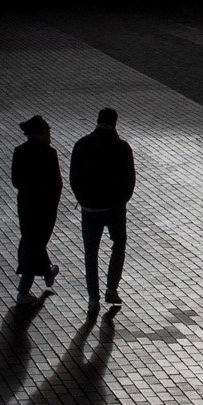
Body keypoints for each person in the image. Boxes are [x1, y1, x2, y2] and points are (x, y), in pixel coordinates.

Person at [68, 107, 136, 312]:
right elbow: (130, 179)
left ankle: (93, 299)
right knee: (119, 243)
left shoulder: (82, 145)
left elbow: (73, 177)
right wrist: (121, 200)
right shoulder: (122, 147)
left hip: (89, 207)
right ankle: (112, 288)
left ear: (97, 121)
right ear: (115, 123)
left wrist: (82, 198)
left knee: (91, 251)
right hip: (114, 206)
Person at [11, 115, 62, 306]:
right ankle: (23, 291)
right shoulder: (49, 153)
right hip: (45, 206)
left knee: (32, 240)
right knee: (35, 244)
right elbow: (57, 184)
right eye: (48, 130)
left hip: (26, 204)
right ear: (41, 132)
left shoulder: (20, 151)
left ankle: (48, 273)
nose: (50, 133)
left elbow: (16, 180)